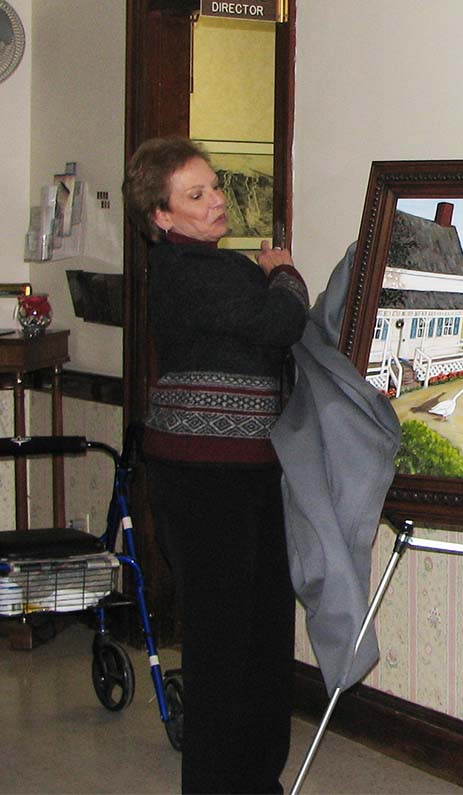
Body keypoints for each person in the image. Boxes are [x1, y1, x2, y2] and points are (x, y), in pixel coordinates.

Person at [123, 136, 309, 795]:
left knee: (263, 635)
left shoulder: (219, 267)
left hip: (249, 474)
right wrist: (284, 271)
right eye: (195, 195)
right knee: (223, 645)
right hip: (204, 485)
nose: (216, 201)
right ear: (162, 216)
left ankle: (257, 780)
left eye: (215, 186)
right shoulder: (185, 270)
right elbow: (279, 322)